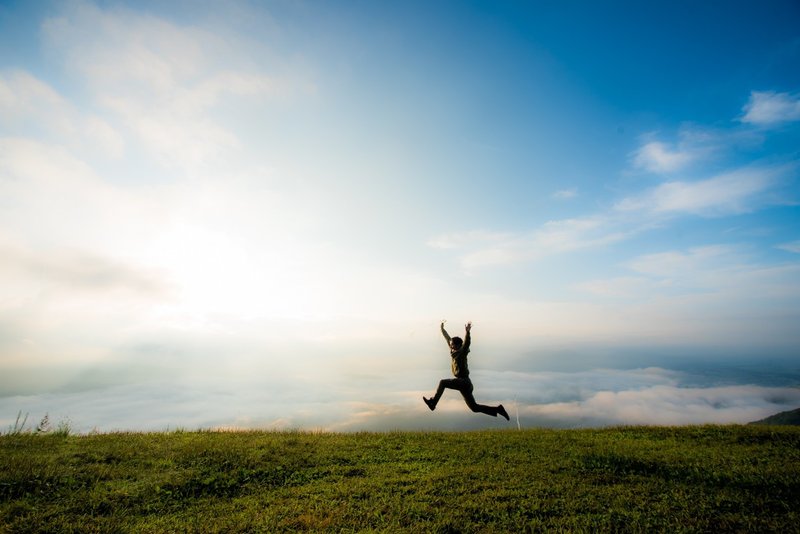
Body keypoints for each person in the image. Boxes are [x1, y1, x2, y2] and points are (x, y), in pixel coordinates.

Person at [424, 321, 509, 420]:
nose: (450, 346)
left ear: (459, 345)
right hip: (465, 384)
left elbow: (467, 343)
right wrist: (442, 329)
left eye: (452, 345)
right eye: (450, 345)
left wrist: (468, 332)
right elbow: (448, 338)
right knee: (474, 408)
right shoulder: (454, 351)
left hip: (463, 382)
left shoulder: (462, 352)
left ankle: (433, 403)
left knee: (443, 383)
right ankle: (498, 409)